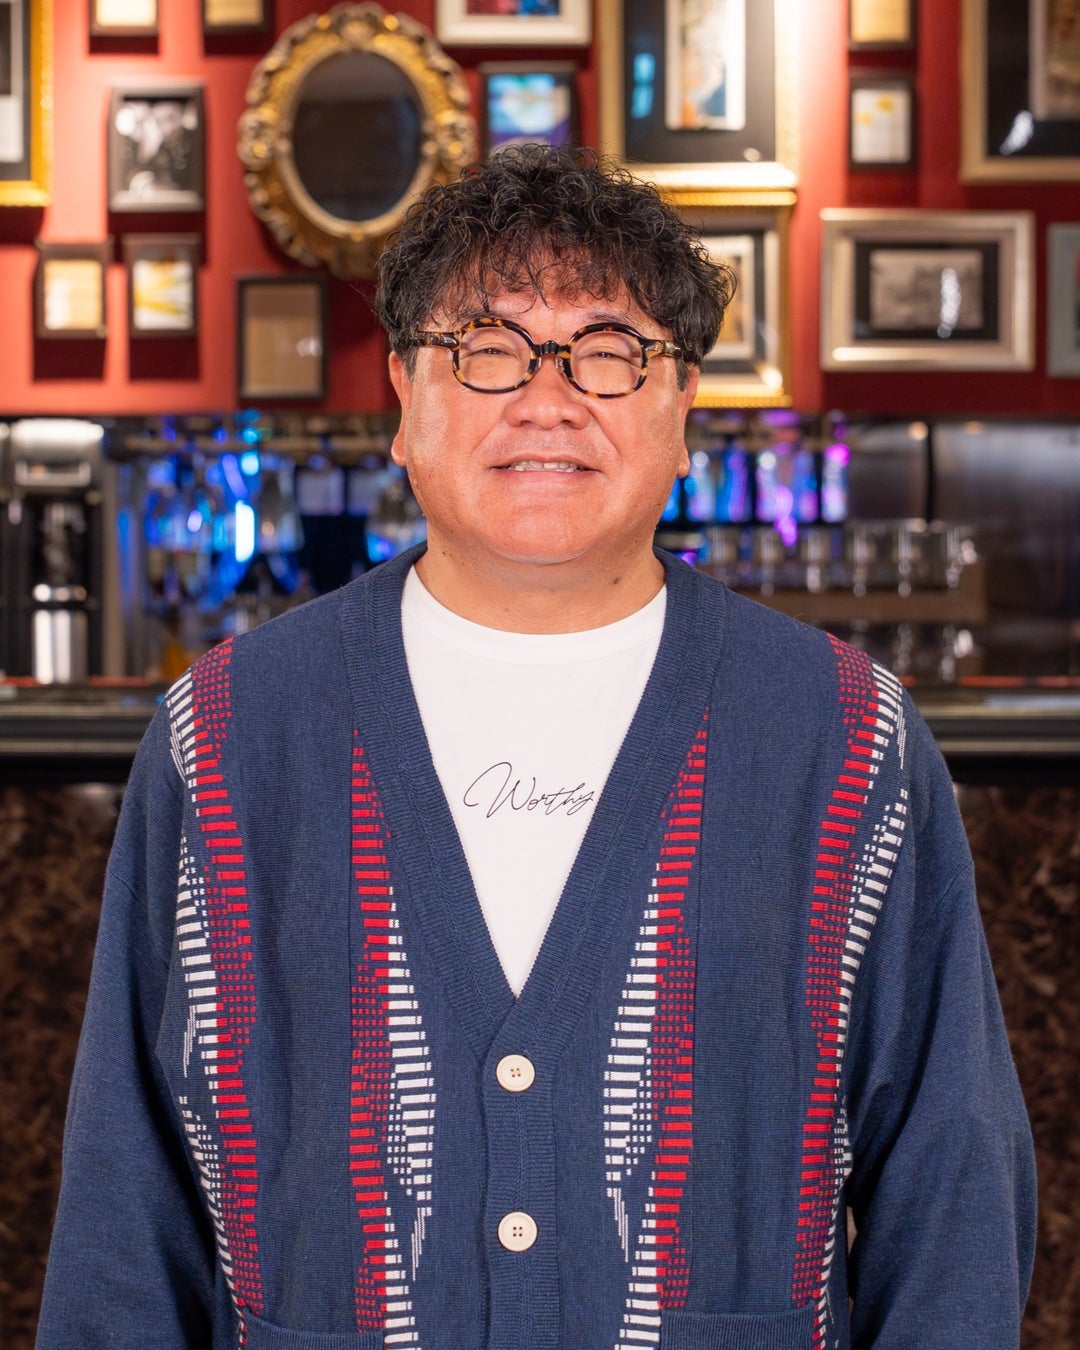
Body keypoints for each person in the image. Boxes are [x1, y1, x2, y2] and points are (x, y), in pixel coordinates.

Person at [37, 145, 1034, 1349]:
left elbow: (952, 1194)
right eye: (487, 347)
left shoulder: (847, 734)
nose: (546, 401)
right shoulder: (227, 733)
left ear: (683, 407)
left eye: (609, 351)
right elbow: (124, 1210)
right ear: (404, 395)